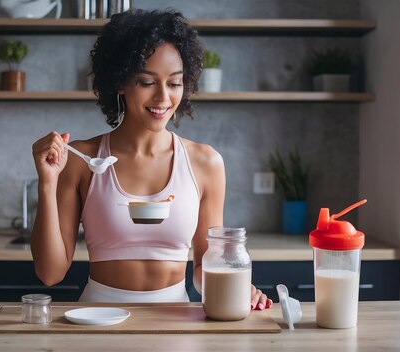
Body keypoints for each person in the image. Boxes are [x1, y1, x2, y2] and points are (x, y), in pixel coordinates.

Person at [31, 9, 272, 310]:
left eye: (174, 83)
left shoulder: (206, 163)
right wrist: (47, 182)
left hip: (175, 322)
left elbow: (203, 268)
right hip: (97, 320)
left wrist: (237, 287)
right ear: (120, 82)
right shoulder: (83, 160)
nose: (163, 98)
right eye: (147, 82)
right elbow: (50, 273)